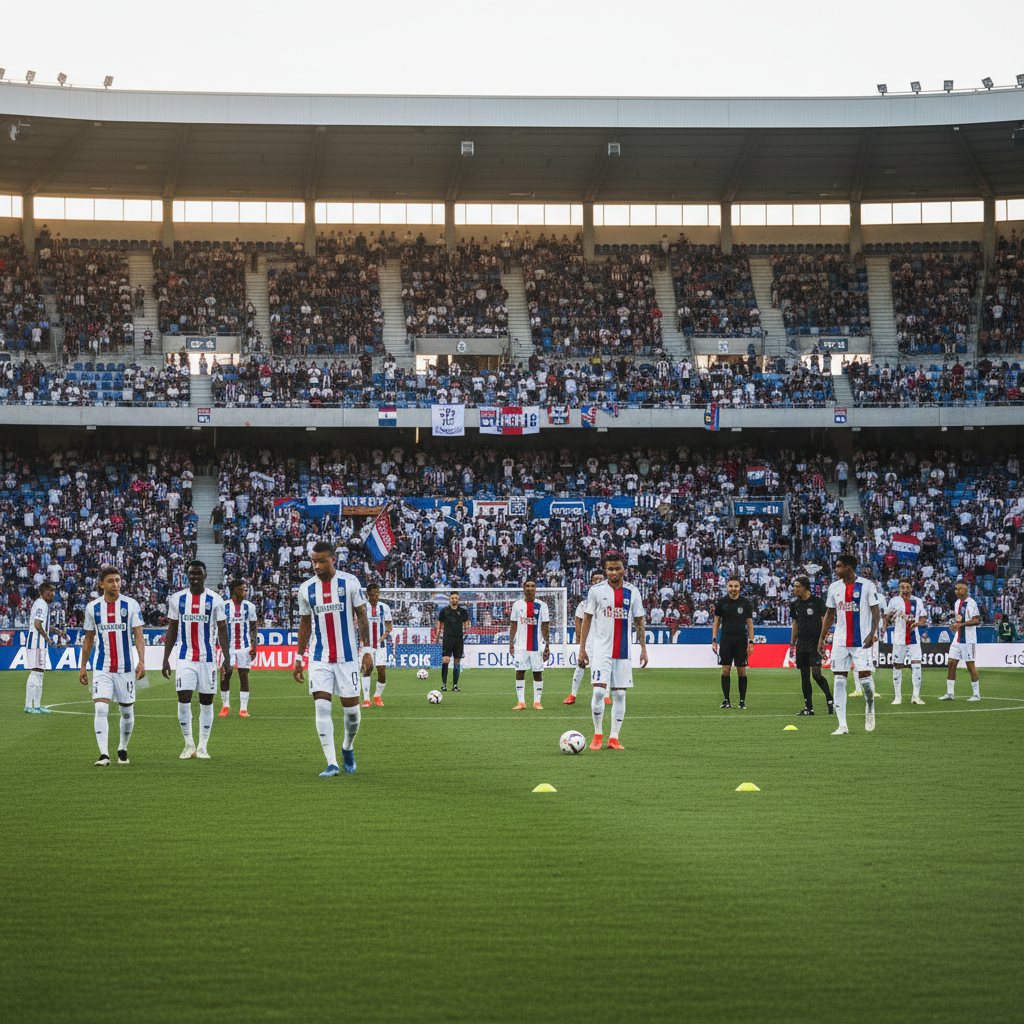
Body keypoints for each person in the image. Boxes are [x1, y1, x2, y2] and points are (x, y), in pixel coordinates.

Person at [292, 542, 372, 777]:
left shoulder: (350, 582)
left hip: (347, 658)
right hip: (319, 658)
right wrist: (299, 657)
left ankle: (347, 747)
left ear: (333, 559)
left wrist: (367, 650)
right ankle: (331, 763)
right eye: (313, 561)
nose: (316, 566)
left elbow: (362, 615)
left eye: (321, 561)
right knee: (322, 706)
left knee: (352, 713)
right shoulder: (306, 589)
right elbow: (305, 623)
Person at [577, 553, 648, 751]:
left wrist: (643, 648)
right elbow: (587, 619)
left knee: (619, 695)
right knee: (599, 692)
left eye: (617, 568)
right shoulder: (596, 591)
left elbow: (639, 621)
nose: (614, 572)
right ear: (605, 570)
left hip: (623, 651)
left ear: (624, 569)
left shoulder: (633, 591)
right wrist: (582, 649)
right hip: (601, 650)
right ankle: (597, 733)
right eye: (610, 569)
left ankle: (614, 737)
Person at [162, 560, 230, 760]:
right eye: (192, 574)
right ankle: (188, 744)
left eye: (198, 574)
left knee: (206, 701)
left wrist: (226, 657)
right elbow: (172, 629)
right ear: (187, 575)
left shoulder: (216, 600)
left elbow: (223, 630)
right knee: (183, 699)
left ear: (205, 575)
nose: (195, 577)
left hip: (208, 659)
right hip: (185, 658)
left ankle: (202, 747)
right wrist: (166, 659)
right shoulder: (177, 599)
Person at [79, 567, 146, 766]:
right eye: (110, 581)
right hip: (102, 667)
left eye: (117, 580)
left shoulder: (130, 604)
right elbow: (88, 639)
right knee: (100, 708)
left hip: (126, 667)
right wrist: (83, 666)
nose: (115, 584)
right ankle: (103, 754)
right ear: (101, 584)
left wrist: (142, 660)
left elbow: (139, 636)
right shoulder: (93, 608)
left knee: (126, 712)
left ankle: (122, 748)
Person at [817, 554, 881, 735]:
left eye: (839, 566)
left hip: (861, 639)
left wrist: (871, 633)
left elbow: (876, 611)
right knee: (838, 679)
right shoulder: (834, 588)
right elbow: (830, 614)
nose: (836, 570)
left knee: (865, 679)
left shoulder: (867, 585)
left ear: (850, 568)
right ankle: (842, 725)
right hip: (840, 640)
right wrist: (822, 638)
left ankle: (869, 704)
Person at [788, 576, 834, 715]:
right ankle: (809, 708)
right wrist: (792, 643)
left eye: (798, 586)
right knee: (804, 674)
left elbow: (824, 621)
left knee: (816, 674)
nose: (795, 589)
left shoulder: (817, 602)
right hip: (802, 643)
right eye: (794, 587)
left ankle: (830, 700)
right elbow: (795, 625)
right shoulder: (794, 605)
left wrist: (823, 640)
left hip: (815, 642)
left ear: (805, 587)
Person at [24, 582, 68, 713]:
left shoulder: (42, 604)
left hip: (40, 643)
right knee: (35, 671)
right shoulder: (41, 604)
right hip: (36, 642)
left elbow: (42, 625)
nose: (53, 594)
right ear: (43, 593)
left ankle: (37, 705)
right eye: (50, 592)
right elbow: (37, 624)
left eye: (54, 592)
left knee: (40, 673)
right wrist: (48, 639)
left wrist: (56, 631)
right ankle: (29, 705)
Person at [712, 575, 755, 709]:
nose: (733, 589)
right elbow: (716, 621)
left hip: (741, 640)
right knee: (725, 669)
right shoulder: (722, 603)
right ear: (727, 587)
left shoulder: (745, 603)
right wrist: (714, 640)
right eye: (731, 586)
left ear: (739, 587)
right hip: (726, 639)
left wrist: (751, 641)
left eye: (736, 586)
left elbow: (749, 623)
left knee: (741, 670)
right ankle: (726, 700)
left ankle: (742, 701)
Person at [564, 569, 605, 705]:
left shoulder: (608, 603)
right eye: (595, 579)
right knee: (581, 665)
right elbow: (578, 621)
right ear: (592, 583)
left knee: (604, 667)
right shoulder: (584, 604)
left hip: (604, 641)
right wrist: (579, 639)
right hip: (588, 641)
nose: (598, 581)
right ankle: (572, 694)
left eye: (601, 579)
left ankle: (605, 695)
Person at [219, 579, 259, 718]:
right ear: (234, 591)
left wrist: (255, 646)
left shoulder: (250, 607)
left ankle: (243, 708)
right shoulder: (224, 606)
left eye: (245, 589)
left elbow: (253, 627)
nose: (245, 592)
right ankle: (225, 705)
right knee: (226, 674)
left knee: (243, 675)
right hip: (228, 647)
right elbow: (220, 627)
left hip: (244, 647)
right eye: (242, 589)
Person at [509, 579, 550, 710]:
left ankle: (537, 702)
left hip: (537, 645)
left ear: (536, 588)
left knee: (537, 672)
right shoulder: (517, 605)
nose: (530, 588)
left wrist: (547, 645)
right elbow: (513, 624)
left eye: (532, 586)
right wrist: (511, 643)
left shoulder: (542, 605)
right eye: (527, 586)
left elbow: (545, 626)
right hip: (520, 645)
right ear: (523, 588)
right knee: (519, 671)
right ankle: (521, 702)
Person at [885, 578, 927, 705]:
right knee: (897, 666)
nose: (904, 589)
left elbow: (923, 619)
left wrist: (916, 623)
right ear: (899, 588)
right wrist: (890, 617)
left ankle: (916, 696)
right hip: (898, 639)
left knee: (916, 666)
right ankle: (897, 697)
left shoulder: (917, 601)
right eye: (902, 586)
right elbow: (887, 620)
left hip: (914, 639)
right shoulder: (894, 601)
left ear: (911, 587)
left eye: (907, 586)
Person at [940, 580, 982, 701]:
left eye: (960, 589)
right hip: (957, 638)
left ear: (966, 589)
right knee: (951, 663)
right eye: (956, 589)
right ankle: (950, 693)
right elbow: (959, 618)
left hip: (968, 639)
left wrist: (961, 624)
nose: (958, 591)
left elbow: (977, 620)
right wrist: (955, 624)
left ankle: (976, 694)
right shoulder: (958, 602)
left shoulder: (971, 603)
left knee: (970, 666)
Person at [362, 582, 393, 707]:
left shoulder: (384, 607)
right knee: (367, 669)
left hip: (381, 645)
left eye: (377, 594)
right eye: (372, 594)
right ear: (368, 595)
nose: (375, 596)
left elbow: (389, 626)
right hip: (367, 645)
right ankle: (366, 699)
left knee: (381, 672)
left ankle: (377, 696)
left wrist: (382, 638)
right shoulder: (363, 608)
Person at [437, 591, 469, 692]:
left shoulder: (463, 612)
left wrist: (467, 629)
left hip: (458, 639)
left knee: (457, 662)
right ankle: (444, 684)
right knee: (445, 660)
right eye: (452, 598)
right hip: (447, 639)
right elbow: (439, 622)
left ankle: (455, 685)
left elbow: (466, 624)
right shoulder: (444, 611)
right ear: (449, 599)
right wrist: (437, 635)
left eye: (456, 598)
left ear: (458, 600)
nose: (454, 599)